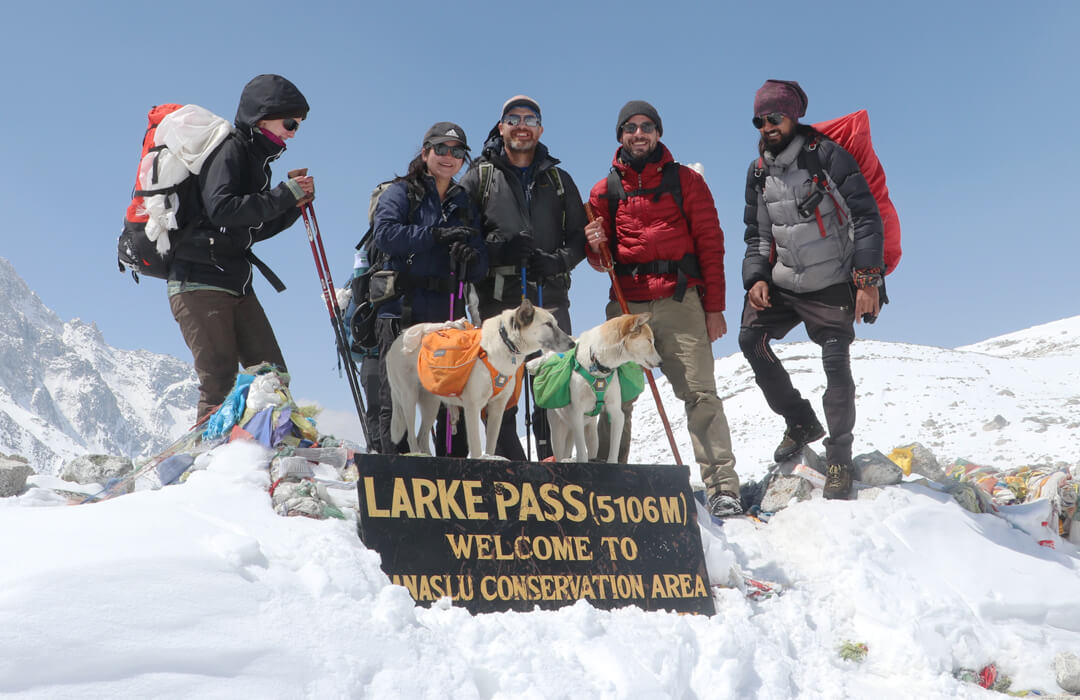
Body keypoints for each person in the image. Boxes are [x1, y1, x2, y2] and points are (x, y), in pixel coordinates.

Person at [584, 100, 741, 517]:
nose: (639, 134)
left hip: (679, 297)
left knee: (700, 392)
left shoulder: (686, 181)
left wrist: (714, 308)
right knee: (614, 393)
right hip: (627, 304)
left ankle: (722, 487)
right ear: (620, 136)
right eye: (631, 127)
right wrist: (594, 246)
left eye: (647, 126)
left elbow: (711, 243)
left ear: (658, 133)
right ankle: (606, 478)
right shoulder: (604, 191)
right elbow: (602, 263)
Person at [738, 79, 884, 500]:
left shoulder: (826, 157)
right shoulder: (758, 171)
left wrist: (868, 280)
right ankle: (800, 420)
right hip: (785, 282)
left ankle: (839, 456)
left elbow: (865, 217)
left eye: (774, 117)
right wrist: (757, 279)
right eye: (759, 119)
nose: (766, 126)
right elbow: (758, 234)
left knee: (836, 364)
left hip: (833, 281)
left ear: (793, 116)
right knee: (752, 339)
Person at [168, 73, 315, 422]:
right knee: (220, 381)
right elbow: (222, 208)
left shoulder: (255, 160)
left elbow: (246, 228)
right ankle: (205, 467)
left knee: (272, 378)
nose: (293, 133)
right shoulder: (230, 148)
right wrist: (284, 195)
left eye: (298, 126)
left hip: (234, 280)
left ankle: (269, 458)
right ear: (261, 118)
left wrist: (292, 208)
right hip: (199, 281)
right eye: (290, 123)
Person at [460, 95, 587, 460]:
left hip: (549, 295)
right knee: (498, 385)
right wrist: (499, 251)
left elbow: (579, 238)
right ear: (501, 128)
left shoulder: (559, 180)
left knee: (553, 383)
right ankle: (511, 466)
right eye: (513, 118)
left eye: (530, 119)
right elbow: (462, 237)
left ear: (540, 129)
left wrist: (556, 261)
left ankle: (552, 464)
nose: (521, 125)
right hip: (497, 299)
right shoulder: (480, 176)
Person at [372, 122, 488, 456]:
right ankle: (396, 478)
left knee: (451, 394)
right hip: (402, 309)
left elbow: (479, 263)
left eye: (457, 152)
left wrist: (471, 257)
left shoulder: (463, 202)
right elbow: (386, 235)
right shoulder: (401, 192)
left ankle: (451, 476)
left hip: (447, 314)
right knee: (398, 397)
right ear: (425, 153)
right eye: (441, 148)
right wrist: (435, 236)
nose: (448, 157)